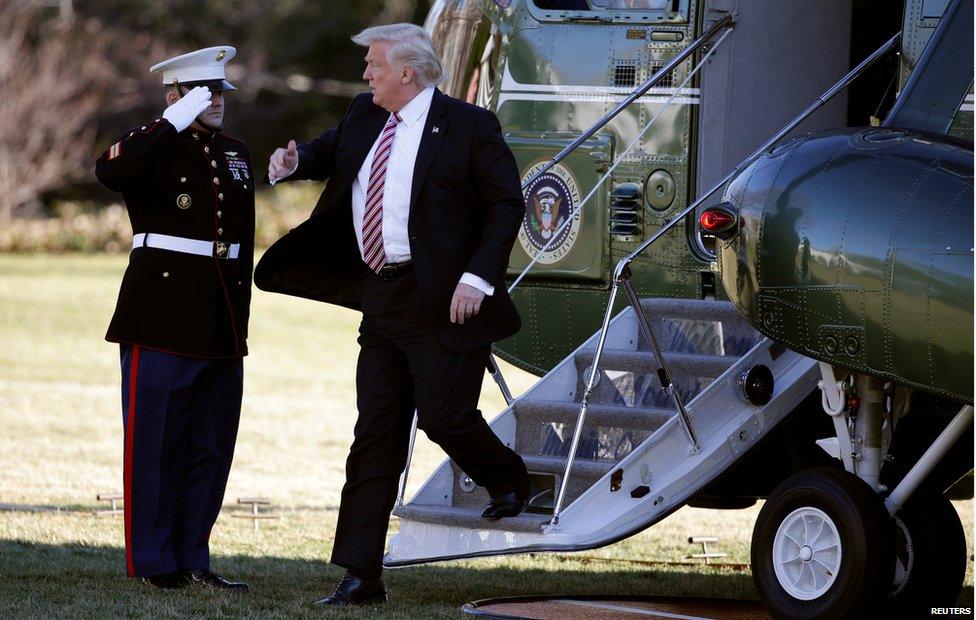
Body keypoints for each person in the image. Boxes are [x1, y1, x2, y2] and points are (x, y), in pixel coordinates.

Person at [256, 23, 531, 607]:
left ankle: (509, 478)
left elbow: (507, 204)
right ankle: (361, 576)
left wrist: (477, 278)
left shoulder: (468, 126)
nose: (365, 73)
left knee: (444, 418)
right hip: (381, 298)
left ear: (408, 72)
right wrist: (293, 160)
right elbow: (328, 152)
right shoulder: (363, 115)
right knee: (374, 435)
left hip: (446, 301)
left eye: (374, 64)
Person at [94, 46, 254, 592]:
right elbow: (109, 171)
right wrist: (168, 123)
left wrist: (241, 324)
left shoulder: (235, 153)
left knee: (209, 444)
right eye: (202, 92)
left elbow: (241, 242)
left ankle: (194, 555)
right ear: (175, 96)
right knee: (155, 443)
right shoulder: (152, 146)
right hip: (159, 317)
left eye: (220, 92)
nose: (215, 102)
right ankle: (155, 559)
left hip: (219, 319)